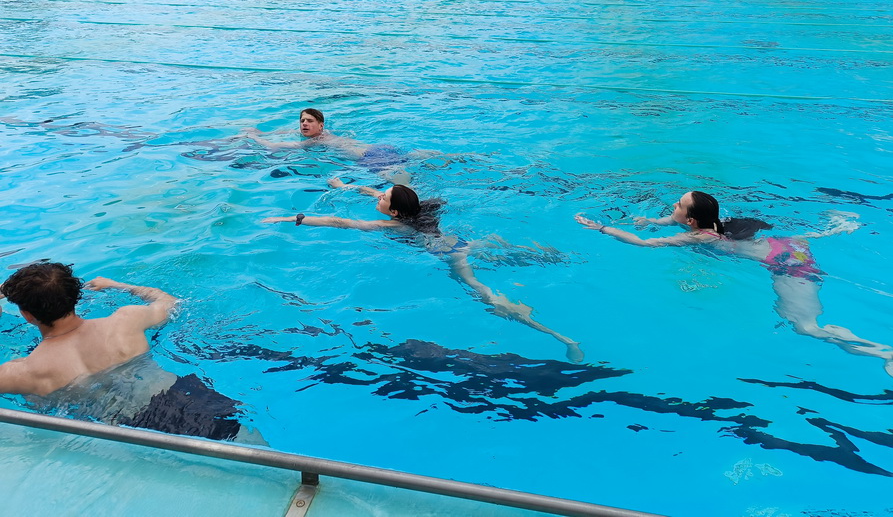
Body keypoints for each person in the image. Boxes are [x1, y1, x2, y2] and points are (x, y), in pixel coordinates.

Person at [575, 191, 892, 376]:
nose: (673, 206)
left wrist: (602, 228)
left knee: (806, 327)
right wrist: (650, 221)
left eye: (678, 205)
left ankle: (883, 353)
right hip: (789, 244)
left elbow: (643, 244)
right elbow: (669, 220)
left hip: (788, 264)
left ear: (691, 221)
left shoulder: (698, 236)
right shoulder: (710, 220)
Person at [264, 181, 584, 362]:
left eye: (385, 196)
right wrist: (345, 186)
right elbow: (377, 194)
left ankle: (560, 336)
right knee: (509, 252)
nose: (380, 194)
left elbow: (340, 222)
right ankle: (559, 257)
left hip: (450, 256)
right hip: (464, 241)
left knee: (485, 294)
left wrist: (293, 219)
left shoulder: (392, 225)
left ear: (394, 211)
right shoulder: (419, 208)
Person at [0, 263, 259, 441]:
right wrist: (115, 284)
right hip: (190, 398)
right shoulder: (125, 321)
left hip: (135, 430)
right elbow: (170, 302)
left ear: (27, 315)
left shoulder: (23, 372)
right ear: (74, 297)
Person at [244, 107, 411, 182]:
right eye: (302, 121)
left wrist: (252, 136)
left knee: (400, 184)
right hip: (378, 148)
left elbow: (272, 146)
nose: (304, 124)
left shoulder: (314, 141)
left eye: (309, 121)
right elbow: (287, 132)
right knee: (412, 159)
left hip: (369, 159)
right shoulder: (326, 133)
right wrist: (261, 132)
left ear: (320, 126)